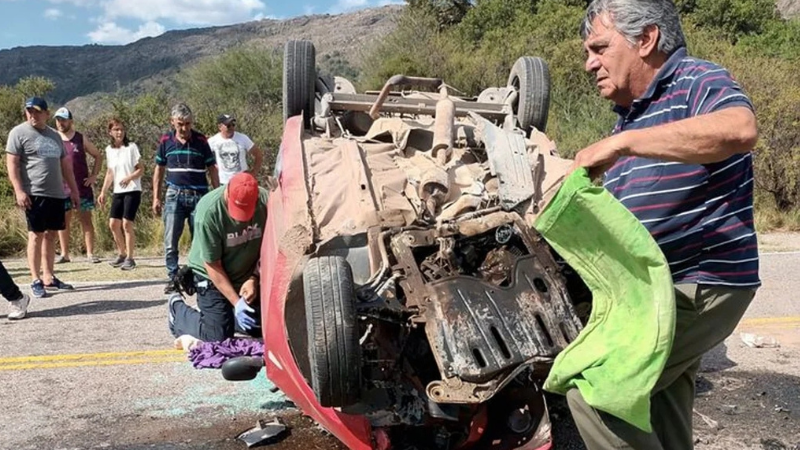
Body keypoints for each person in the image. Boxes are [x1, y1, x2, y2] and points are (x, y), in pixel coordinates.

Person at [568, 0, 759, 448]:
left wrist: (625, 145)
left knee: (599, 393)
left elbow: (740, 127)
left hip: (699, 282)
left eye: (599, 47)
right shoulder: (630, 117)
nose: (588, 63)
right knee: (659, 412)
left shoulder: (695, 79)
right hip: (657, 291)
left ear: (646, 39)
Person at [167, 172, 267, 344]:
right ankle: (178, 311)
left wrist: (254, 278)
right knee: (218, 337)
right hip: (212, 276)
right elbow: (213, 265)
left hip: (247, 274)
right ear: (227, 192)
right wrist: (237, 303)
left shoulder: (267, 202)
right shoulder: (209, 212)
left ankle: (224, 315)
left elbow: (271, 248)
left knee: (261, 326)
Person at [6, 97, 79, 298]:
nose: (33, 115)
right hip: (34, 193)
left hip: (56, 193)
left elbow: (66, 167)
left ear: (47, 113)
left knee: (51, 234)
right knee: (36, 234)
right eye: (29, 111)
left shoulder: (55, 136)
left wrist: (73, 191)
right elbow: (11, 164)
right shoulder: (18, 133)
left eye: (37, 111)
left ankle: (49, 276)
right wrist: (19, 191)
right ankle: (35, 279)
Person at [153, 103, 219, 294]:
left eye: (188, 124)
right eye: (180, 124)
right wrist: (156, 197)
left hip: (199, 195)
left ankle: (196, 276)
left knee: (200, 239)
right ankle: (173, 278)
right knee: (171, 240)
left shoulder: (201, 140)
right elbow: (159, 169)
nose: (184, 128)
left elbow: (212, 168)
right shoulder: (166, 140)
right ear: (172, 122)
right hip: (174, 195)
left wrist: (217, 195)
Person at [52, 107, 104, 264]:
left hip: (82, 187)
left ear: (70, 121)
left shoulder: (80, 138)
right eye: (58, 120)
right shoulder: (53, 139)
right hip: (61, 188)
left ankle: (90, 253)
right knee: (63, 221)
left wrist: (94, 176)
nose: (61, 123)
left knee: (86, 220)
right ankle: (65, 254)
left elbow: (98, 155)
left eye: (64, 119)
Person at [97, 118, 143, 271]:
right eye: (116, 129)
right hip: (118, 191)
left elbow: (140, 169)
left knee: (126, 224)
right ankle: (121, 253)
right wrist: (103, 191)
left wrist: (129, 177)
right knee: (113, 224)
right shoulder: (109, 150)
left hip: (132, 190)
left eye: (121, 129)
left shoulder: (132, 147)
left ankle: (130, 257)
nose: (119, 132)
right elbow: (110, 172)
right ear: (110, 132)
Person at [208, 114, 264, 184]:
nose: (231, 127)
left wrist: (254, 172)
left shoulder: (243, 138)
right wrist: (213, 167)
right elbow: (205, 158)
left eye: (233, 125)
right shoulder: (213, 141)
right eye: (228, 125)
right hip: (223, 183)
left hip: (242, 182)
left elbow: (258, 154)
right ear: (220, 127)